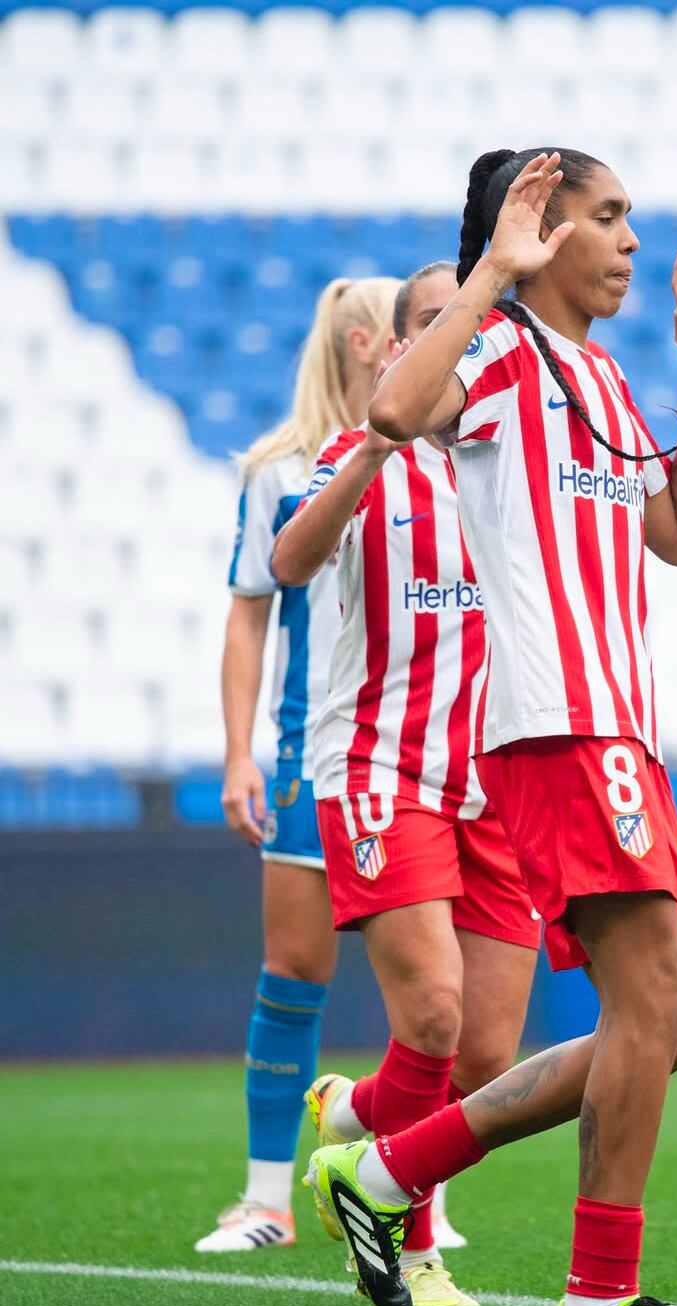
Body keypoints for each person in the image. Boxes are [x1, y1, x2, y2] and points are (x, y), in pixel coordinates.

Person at [304, 149, 677, 1306]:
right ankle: (598, 1299)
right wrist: (489, 274)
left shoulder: (602, 375)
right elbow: (394, 413)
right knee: (653, 1004)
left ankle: (386, 1173)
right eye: (607, 217)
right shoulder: (498, 350)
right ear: (543, 231)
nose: (632, 242)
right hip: (558, 724)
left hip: (622, 728)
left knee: (661, 1028)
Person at [271, 261, 541, 1306]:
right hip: (382, 768)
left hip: (495, 781)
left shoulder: (514, 461)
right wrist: (380, 443)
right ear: (394, 349)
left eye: (474, 323)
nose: (459, 337)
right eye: (436, 322)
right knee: (431, 1014)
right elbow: (291, 561)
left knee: (485, 1057)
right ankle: (411, 1249)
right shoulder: (358, 455)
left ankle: (349, 1112)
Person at [195, 276, 402, 1252]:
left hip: (415, 753)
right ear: (364, 342)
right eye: (407, 326)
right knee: (294, 969)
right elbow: (248, 618)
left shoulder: (440, 453)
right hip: (311, 753)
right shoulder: (280, 470)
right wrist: (239, 753)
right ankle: (267, 1202)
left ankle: (412, 1197)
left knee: (430, 986)